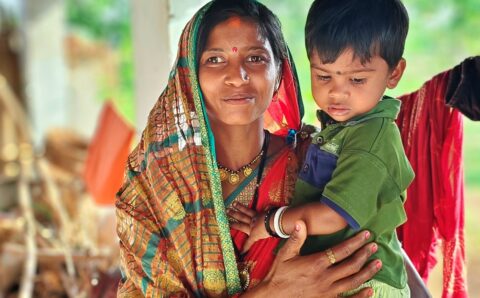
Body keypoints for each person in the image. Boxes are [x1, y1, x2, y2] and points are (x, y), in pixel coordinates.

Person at [115, 0, 380, 297]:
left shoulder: (321, 160)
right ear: (190, 77)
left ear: (280, 70)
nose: (237, 76)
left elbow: (383, 257)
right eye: (215, 60)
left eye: (255, 58)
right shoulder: (153, 185)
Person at [231, 0, 413, 296]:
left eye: (356, 79)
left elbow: (333, 216)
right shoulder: (342, 129)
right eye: (324, 76)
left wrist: (269, 223)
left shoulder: (372, 138)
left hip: (366, 284)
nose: (337, 92)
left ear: (394, 74)